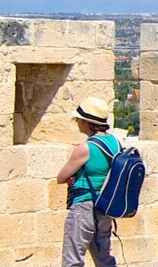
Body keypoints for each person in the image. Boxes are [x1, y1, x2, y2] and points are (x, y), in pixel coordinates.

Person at [57, 97, 121, 267]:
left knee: (73, 260)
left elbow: (61, 177)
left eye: (78, 119)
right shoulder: (115, 143)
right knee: (104, 259)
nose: (77, 122)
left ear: (86, 122)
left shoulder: (85, 148)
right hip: (104, 207)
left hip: (83, 206)